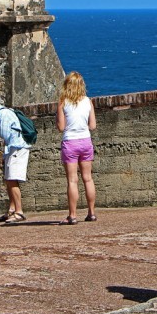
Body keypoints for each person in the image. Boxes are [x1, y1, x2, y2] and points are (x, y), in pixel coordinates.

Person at [0, 92, 30, 223]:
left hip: (17, 148)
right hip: (13, 148)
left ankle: (19, 212)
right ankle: (12, 210)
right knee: (9, 180)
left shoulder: (3, 114)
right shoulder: (4, 112)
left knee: (12, 179)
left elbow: (4, 134)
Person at [56, 72, 98, 225]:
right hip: (86, 141)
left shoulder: (63, 102)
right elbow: (92, 125)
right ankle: (91, 212)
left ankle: (72, 215)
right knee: (88, 178)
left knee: (72, 180)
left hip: (70, 142)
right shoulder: (88, 101)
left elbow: (61, 127)